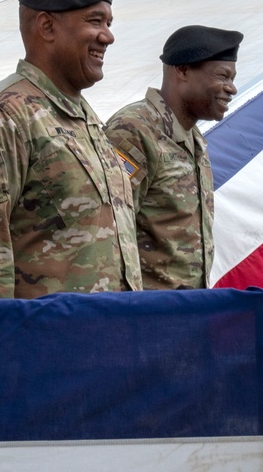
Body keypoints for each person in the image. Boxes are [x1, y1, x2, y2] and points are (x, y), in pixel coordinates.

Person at [0, 0, 141, 299]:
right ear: (47, 27)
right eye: (95, 21)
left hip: (112, 336)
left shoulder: (85, 119)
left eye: (108, 24)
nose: (107, 37)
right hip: (43, 342)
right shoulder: (3, 115)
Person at [104, 25, 243, 290]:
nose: (231, 88)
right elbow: (109, 231)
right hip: (147, 314)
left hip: (187, 311)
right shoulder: (133, 131)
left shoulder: (194, 139)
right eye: (223, 76)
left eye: (232, 78)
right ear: (182, 70)